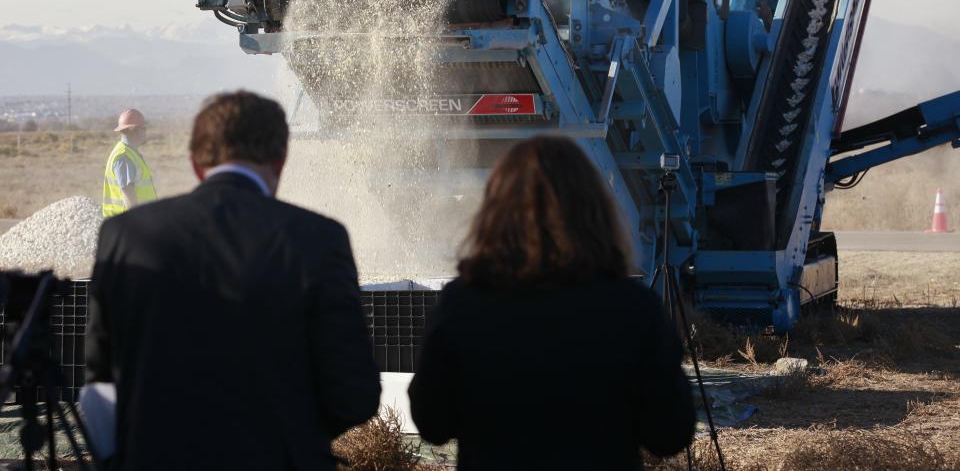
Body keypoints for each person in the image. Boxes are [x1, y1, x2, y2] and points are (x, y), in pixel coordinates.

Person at [86, 91, 381, 471]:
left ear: (196, 163)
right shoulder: (320, 239)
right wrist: (292, 433)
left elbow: (99, 387)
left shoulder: (124, 237)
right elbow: (354, 395)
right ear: (281, 160)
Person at [409, 136, 695, 470]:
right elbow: (670, 433)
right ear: (594, 212)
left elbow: (432, 422)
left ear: (497, 213)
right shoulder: (635, 308)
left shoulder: (462, 304)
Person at [102, 108, 157, 217]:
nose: (145, 132)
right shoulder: (124, 156)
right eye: (143, 128)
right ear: (133, 129)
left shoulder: (130, 152)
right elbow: (128, 192)